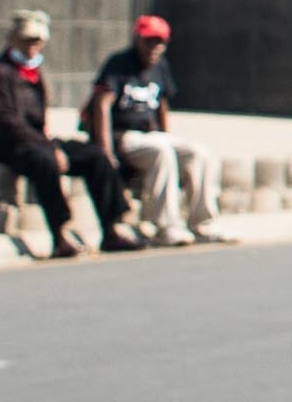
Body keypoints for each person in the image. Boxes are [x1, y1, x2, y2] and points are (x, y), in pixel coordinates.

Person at [0, 11, 124, 258]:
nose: (32, 47)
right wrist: (50, 148)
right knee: (45, 162)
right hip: (3, 144)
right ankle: (59, 233)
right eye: (27, 41)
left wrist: (50, 143)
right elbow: (8, 124)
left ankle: (111, 228)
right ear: (13, 39)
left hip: (35, 140)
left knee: (94, 155)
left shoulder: (34, 72)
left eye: (37, 42)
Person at [84, 14, 227, 246]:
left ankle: (203, 223)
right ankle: (164, 226)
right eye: (149, 41)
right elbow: (102, 104)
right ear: (137, 39)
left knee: (198, 152)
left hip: (151, 135)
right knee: (161, 152)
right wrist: (105, 150)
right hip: (123, 135)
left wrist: (167, 135)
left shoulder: (160, 66)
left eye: (160, 42)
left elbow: (162, 104)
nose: (154, 47)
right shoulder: (119, 64)